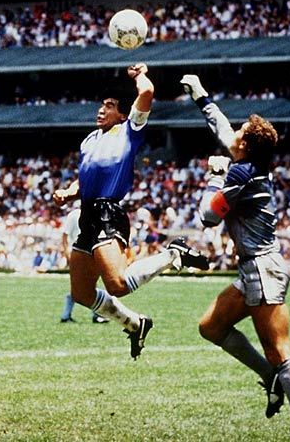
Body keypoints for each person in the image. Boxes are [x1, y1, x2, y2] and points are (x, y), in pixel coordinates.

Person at [181, 74, 290, 441]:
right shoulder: (249, 165)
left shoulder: (242, 173)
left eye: (240, 134)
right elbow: (224, 129)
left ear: (244, 146)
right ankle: (270, 377)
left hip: (262, 268)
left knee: (278, 348)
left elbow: (208, 216)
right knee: (210, 326)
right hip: (254, 268)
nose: (234, 136)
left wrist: (215, 176)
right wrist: (201, 96)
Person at [53, 63, 208, 360]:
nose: (101, 110)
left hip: (108, 212)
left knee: (119, 284)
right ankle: (136, 324)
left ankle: (173, 255)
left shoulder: (129, 130)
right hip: (87, 213)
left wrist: (140, 76)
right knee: (82, 294)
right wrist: (69, 192)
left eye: (109, 106)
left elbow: (147, 92)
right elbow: (84, 178)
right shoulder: (89, 140)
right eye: (101, 105)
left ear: (122, 114)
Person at [60, 206, 108, 324]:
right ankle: (94, 315)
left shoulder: (96, 214)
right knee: (80, 285)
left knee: (87, 284)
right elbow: (65, 236)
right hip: (78, 253)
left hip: (91, 253)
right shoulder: (74, 215)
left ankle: (67, 315)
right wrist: (67, 254)